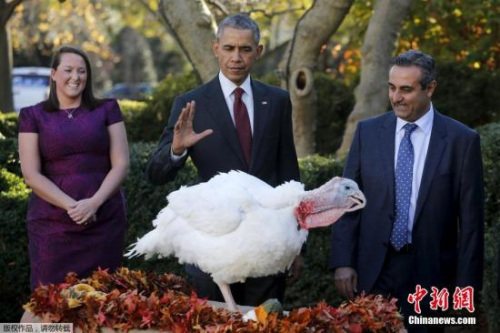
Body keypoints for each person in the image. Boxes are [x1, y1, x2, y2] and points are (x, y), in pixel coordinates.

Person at [145, 14, 300, 307]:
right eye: (229, 48)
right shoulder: (191, 103)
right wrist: (175, 151)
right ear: (216, 48)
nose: (236, 57)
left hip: (266, 247)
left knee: (264, 325)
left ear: (259, 51)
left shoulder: (278, 101)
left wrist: (295, 243)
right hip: (213, 254)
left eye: (245, 49)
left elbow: (289, 174)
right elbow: (154, 174)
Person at [330, 50, 484, 331]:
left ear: (430, 88)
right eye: (391, 88)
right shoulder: (367, 133)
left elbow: (472, 225)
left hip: (431, 275)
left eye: (406, 90)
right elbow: (347, 202)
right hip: (373, 270)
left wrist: (466, 293)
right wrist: (343, 262)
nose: (396, 97)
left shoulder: (462, 141)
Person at [18, 45, 130, 291]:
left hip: (104, 220)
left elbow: (121, 164)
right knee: (51, 302)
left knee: (104, 302)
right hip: (52, 225)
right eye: (68, 70)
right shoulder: (32, 115)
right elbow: (30, 174)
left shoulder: (107, 109)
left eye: (81, 71)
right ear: (54, 73)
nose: (75, 77)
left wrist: (93, 203)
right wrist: (73, 207)